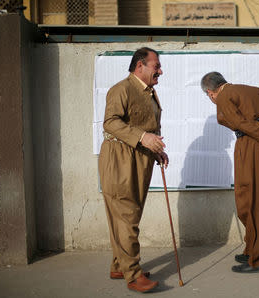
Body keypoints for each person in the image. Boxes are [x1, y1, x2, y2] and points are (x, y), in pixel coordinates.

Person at [200, 72, 259, 273]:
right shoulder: (255, 90)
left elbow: (241, 124)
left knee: (254, 201)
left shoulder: (224, 96)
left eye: (209, 97)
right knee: (252, 199)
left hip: (253, 147)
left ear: (210, 92)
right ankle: (251, 249)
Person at [98, 47, 168, 293]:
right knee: (126, 215)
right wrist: (143, 137)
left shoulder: (149, 92)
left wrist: (156, 148)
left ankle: (120, 265)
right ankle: (133, 274)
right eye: (156, 66)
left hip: (141, 158)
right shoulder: (122, 89)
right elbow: (110, 122)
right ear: (140, 66)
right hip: (120, 158)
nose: (160, 70)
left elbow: (148, 127)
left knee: (129, 214)